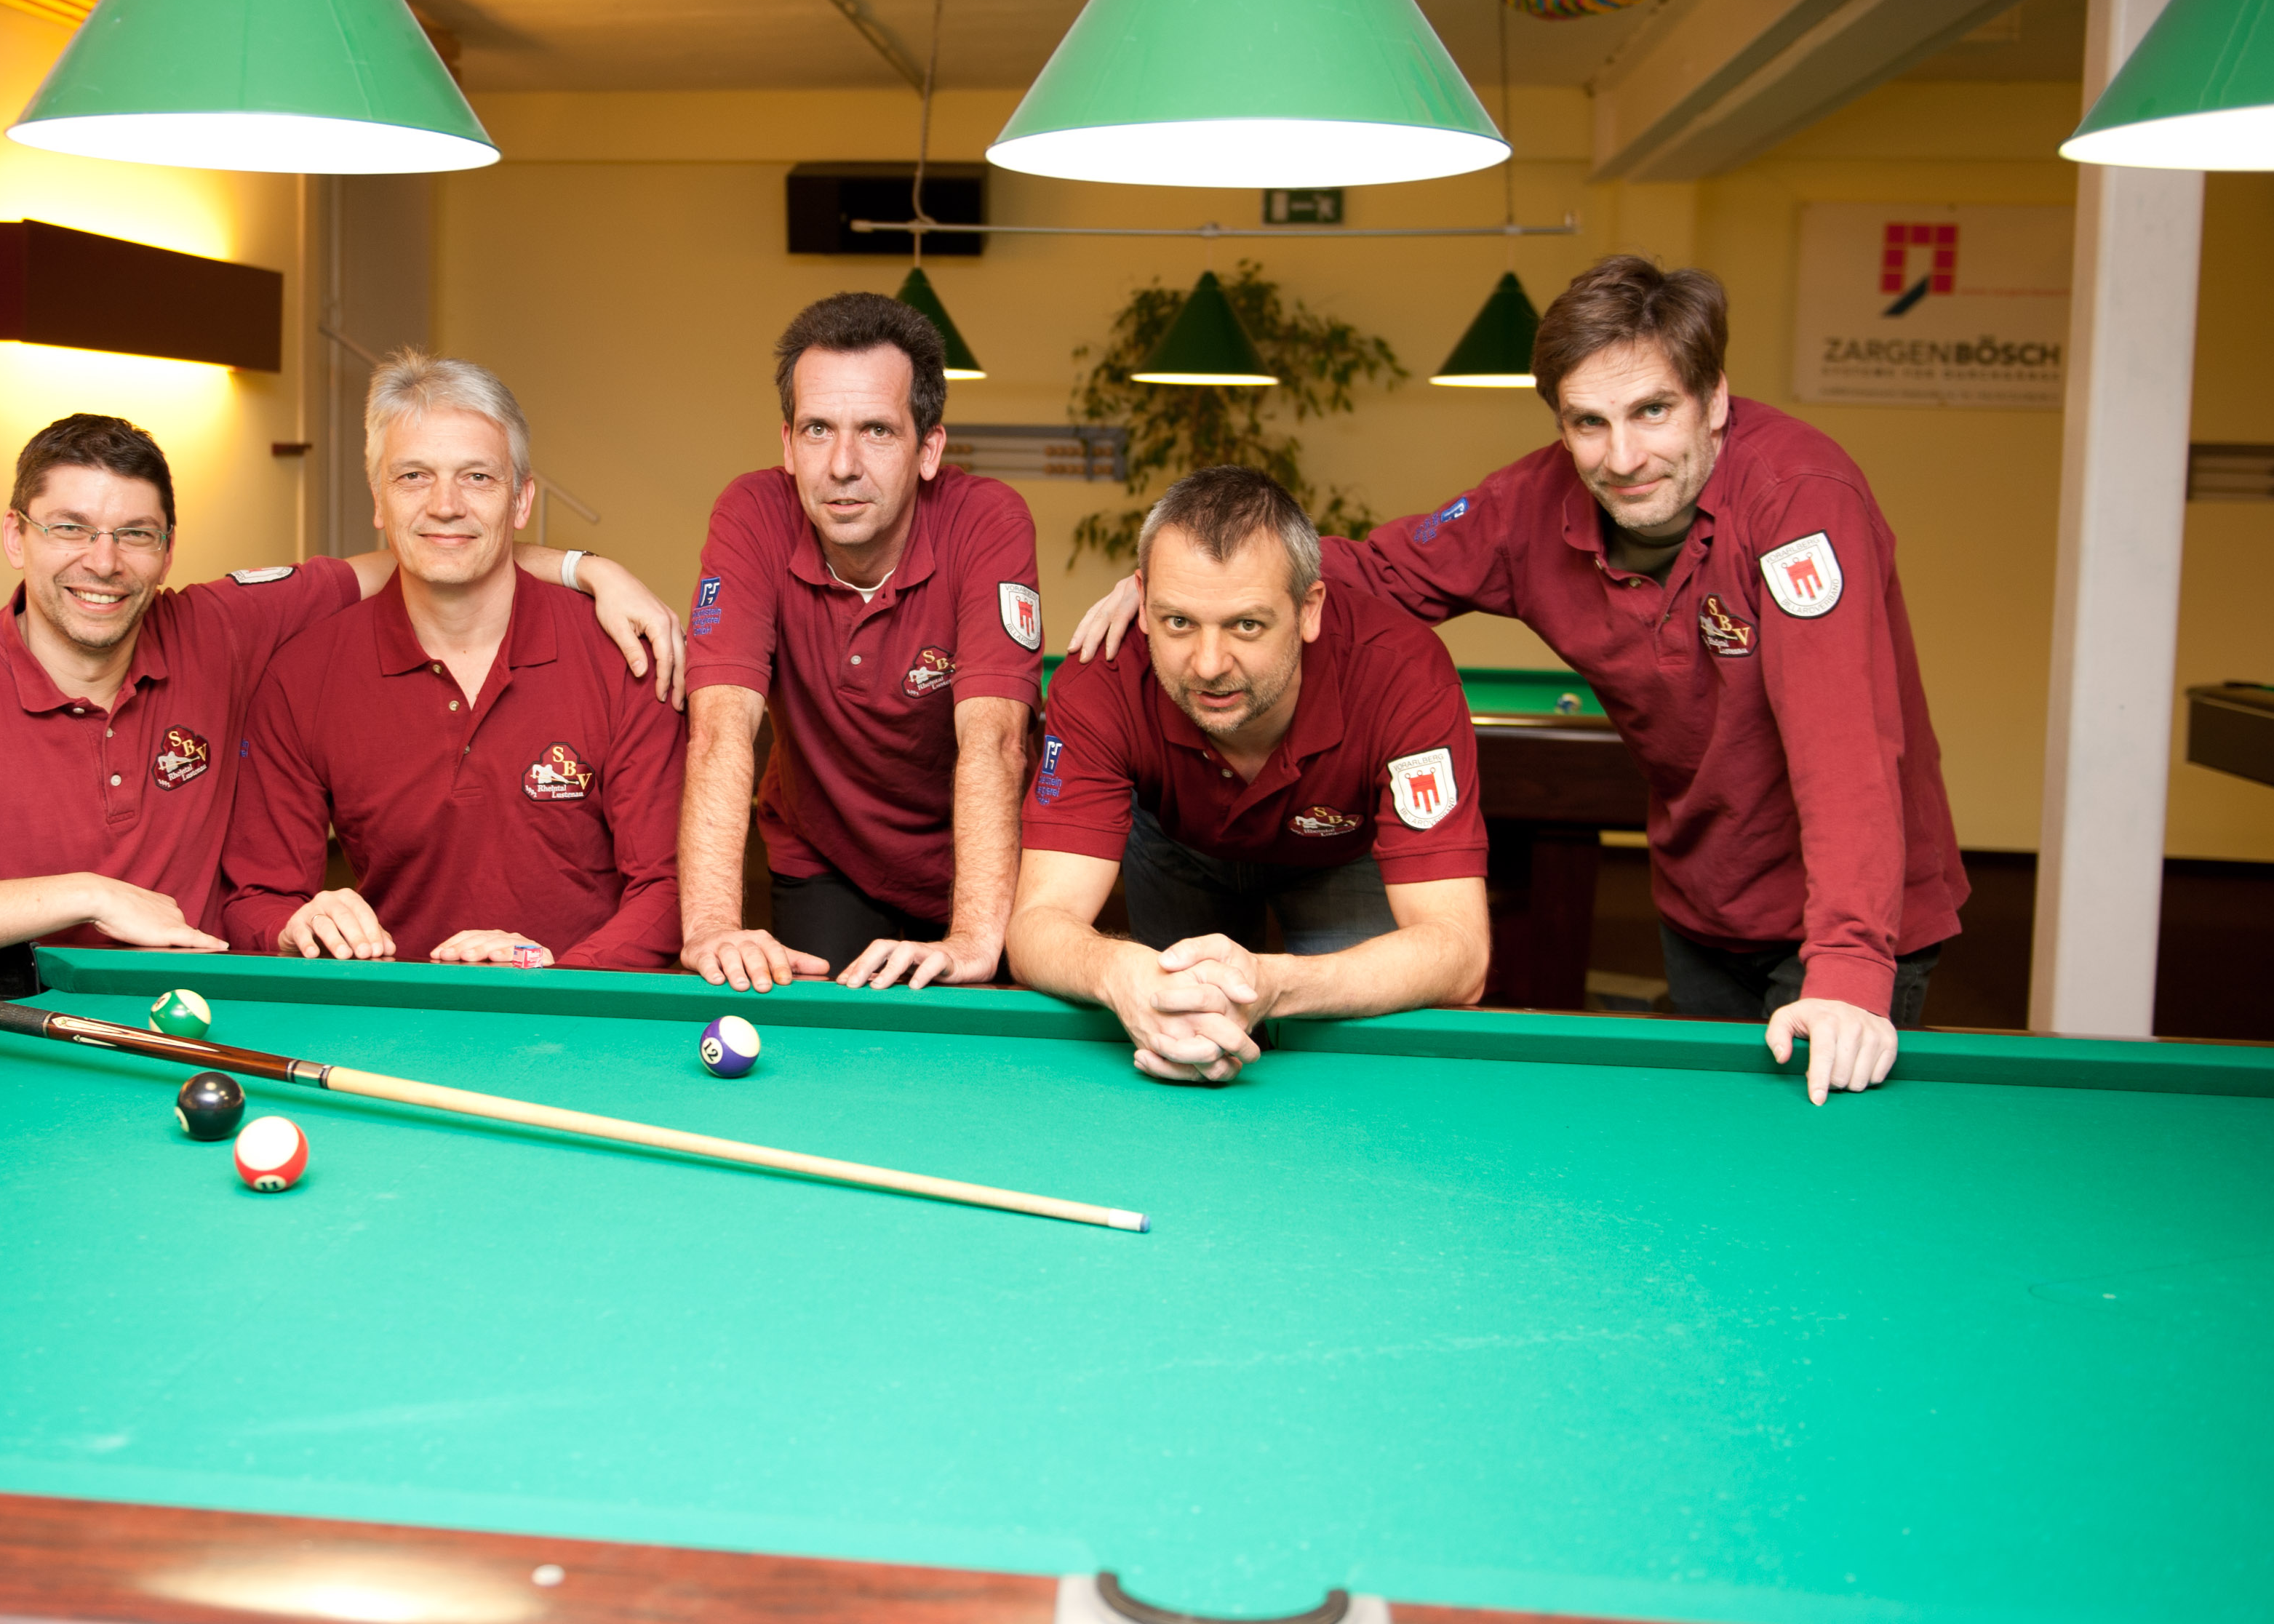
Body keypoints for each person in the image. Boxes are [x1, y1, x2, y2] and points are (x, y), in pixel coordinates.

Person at [1069, 257, 1964, 1104]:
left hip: (1851, 921)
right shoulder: (1532, 504)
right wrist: (1190, 587)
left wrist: (1849, 968)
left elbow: (1843, 751)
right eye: (1587, 422)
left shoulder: (1801, 502)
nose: (1621, 457)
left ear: (1714, 399)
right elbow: (1374, 571)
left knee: (1820, 1167)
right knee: (1717, 1158)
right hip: (1704, 899)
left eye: (1652, 411)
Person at [0, 411, 683, 972]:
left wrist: (586, 568)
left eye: (135, 535)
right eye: (69, 528)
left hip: (200, 1024)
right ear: (14, 537)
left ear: (168, 551)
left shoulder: (218, 628)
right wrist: (87, 893)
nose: (103, 563)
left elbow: (434, 549)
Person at [1008, 467, 1490, 1083]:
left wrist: (1275, 982)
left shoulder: (1403, 674)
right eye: (1179, 622)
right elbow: (1037, 926)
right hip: (1177, 845)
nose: (1209, 665)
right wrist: (1120, 974)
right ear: (1143, 601)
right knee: (1179, 1038)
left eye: (1246, 625)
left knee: (1356, 1070)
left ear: (1309, 609)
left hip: (1339, 856)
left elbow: (1459, 953)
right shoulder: (1101, 677)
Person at [223, 357, 686, 970]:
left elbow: (669, 889)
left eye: (477, 477)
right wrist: (294, 925)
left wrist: (554, 976)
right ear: (380, 501)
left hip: (581, 1009)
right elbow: (257, 899)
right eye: (414, 476)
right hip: (394, 1013)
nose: (445, 505)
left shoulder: (622, 656)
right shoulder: (302, 677)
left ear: (521, 502)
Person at [678, 292, 1042, 992]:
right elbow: (721, 727)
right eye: (818, 429)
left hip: (975, 865)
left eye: (876, 430)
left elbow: (996, 739)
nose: (842, 464)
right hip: (827, 856)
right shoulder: (752, 513)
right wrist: (712, 927)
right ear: (788, 445)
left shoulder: (987, 520)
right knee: (823, 1044)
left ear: (928, 449)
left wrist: (973, 939)